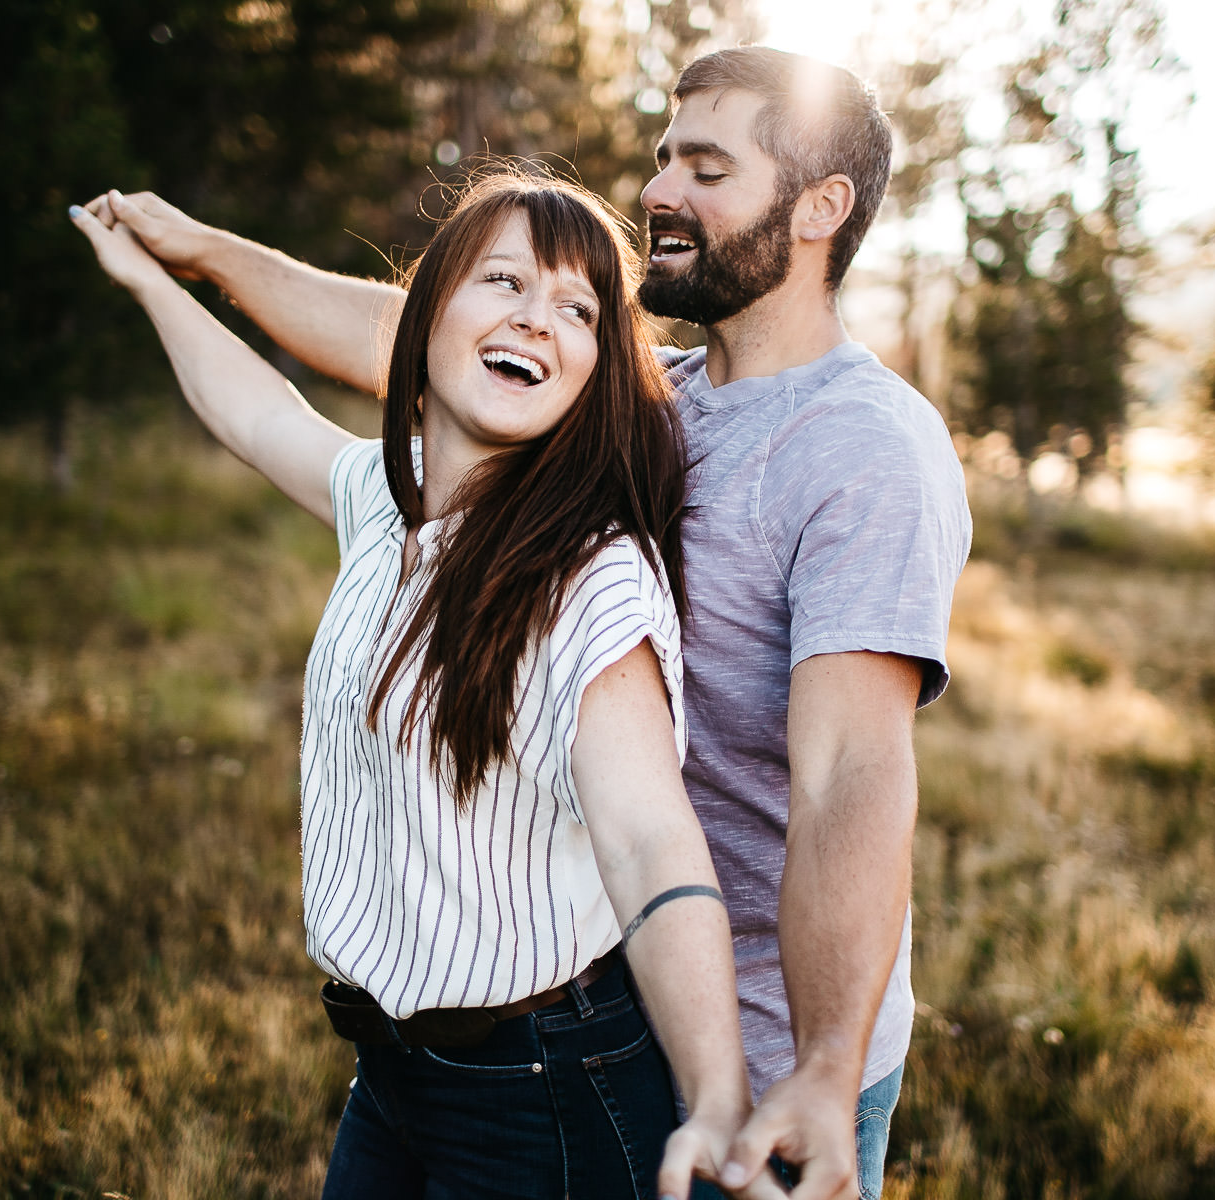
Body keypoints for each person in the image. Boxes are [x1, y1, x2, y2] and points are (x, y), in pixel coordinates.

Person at [82, 46, 972, 1200]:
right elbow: (425, 336)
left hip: (766, 1051)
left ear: (821, 207)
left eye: (707, 169)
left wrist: (822, 1068)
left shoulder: (864, 446)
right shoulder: (659, 396)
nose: (659, 190)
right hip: (601, 1006)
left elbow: (853, 771)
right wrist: (198, 254)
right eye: (664, 158)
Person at [69, 171, 778, 1200]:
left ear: (593, 371)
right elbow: (258, 414)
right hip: (394, 1075)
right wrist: (149, 279)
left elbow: (650, 845)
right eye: (505, 281)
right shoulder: (386, 497)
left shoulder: (588, 578)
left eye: (578, 309)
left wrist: (715, 1095)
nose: (536, 320)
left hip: (544, 1093)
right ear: (427, 313)